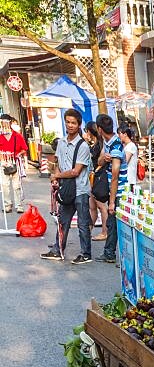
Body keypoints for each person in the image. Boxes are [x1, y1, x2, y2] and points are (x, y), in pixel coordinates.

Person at [41, 108, 92, 263]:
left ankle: (86, 253)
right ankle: (58, 249)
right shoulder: (62, 142)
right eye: (68, 122)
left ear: (79, 125)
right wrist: (56, 179)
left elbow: (76, 171)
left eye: (73, 123)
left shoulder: (83, 146)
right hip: (65, 189)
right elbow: (58, 163)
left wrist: (56, 175)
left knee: (83, 224)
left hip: (80, 190)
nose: (70, 125)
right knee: (63, 221)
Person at [94, 114, 128, 265]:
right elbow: (99, 161)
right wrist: (103, 158)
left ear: (99, 129)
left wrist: (112, 202)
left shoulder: (116, 146)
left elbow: (115, 176)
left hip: (120, 191)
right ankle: (110, 253)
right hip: (113, 191)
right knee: (112, 223)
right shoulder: (108, 143)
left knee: (115, 223)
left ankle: (113, 254)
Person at [84, 121, 109, 241]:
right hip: (93, 177)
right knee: (92, 205)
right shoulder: (95, 144)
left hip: (98, 177)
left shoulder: (100, 144)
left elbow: (101, 161)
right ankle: (88, 230)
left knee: (101, 206)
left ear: (89, 131)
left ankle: (105, 232)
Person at [0, 113, 28, 214]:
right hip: (3, 163)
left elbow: (24, 149)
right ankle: (7, 205)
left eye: (5, 123)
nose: (3, 125)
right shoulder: (0, 136)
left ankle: (19, 205)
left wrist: (18, 154)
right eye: (1, 123)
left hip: (15, 162)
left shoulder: (17, 136)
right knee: (4, 185)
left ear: (10, 123)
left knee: (16, 185)